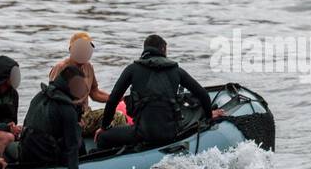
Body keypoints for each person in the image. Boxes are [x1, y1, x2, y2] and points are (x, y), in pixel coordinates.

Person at [95, 34, 225, 150]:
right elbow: (203, 95)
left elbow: (113, 100)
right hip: (171, 133)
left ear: (145, 49)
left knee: (102, 137)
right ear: (163, 50)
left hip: (142, 133)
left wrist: (104, 127)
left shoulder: (132, 69)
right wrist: (208, 116)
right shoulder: (176, 70)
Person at [15, 64, 90, 169]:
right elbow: (72, 148)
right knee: (76, 130)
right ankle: (86, 159)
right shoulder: (66, 108)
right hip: (46, 157)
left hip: (26, 153)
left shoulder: (40, 95)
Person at [48, 31, 116, 138]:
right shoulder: (61, 68)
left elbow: (94, 92)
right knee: (118, 117)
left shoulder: (88, 67)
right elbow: (51, 97)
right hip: (68, 117)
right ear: (71, 49)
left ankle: (106, 142)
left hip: (86, 114)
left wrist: (115, 99)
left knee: (115, 116)